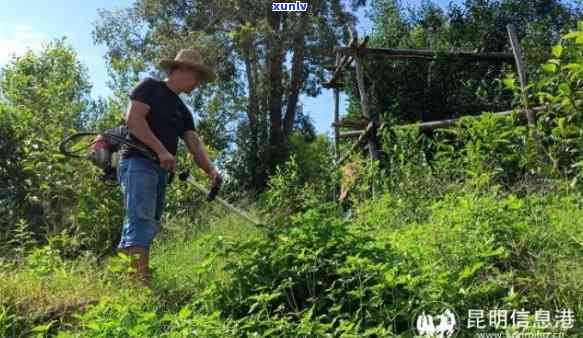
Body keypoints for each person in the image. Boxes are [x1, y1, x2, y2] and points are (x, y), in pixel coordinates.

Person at [117, 48, 221, 287]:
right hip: (138, 162)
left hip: (159, 170)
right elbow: (134, 120)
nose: (198, 83)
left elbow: (194, 144)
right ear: (182, 69)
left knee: (146, 224)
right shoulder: (150, 87)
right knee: (140, 221)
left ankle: (129, 282)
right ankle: (139, 285)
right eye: (197, 77)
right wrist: (161, 150)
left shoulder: (183, 111)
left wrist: (212, 171)